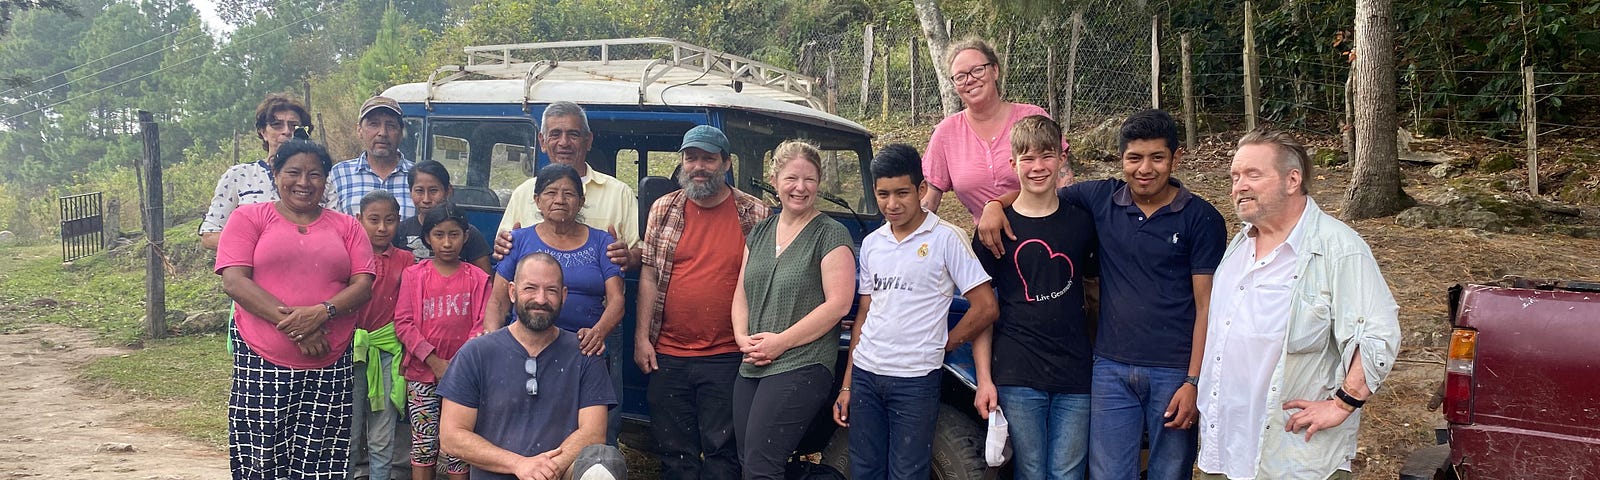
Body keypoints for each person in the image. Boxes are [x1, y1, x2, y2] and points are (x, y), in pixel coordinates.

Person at [977, 109, 1228, 480]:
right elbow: (1039, 187)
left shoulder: (1201, 219)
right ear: (1121, 159)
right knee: (1104, 472)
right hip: (1110, 367)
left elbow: (1207, 306)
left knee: (1169, 471)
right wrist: (994, 205)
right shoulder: (1101, 197)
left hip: (1172, 370)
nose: (1145, 168)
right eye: (1134, 158)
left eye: (1157, 157)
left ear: (1175, 158)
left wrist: (1193, 381)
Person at [1196, 130, 1401, 480]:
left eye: (1252, 175)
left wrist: (1342, 404)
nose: (1238, 186)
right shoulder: (1239, 246)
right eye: (1234, 177)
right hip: (1224, 449)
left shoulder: (1338, 248)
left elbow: (1378, 335)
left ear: (1293, 179)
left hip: (1293, 459)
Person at [215, 134, 375, 480]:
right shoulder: (249, 219)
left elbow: (363, 285)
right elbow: (235, 281)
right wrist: (298, 326)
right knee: (263, 451)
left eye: (315, 174)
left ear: (325, 181)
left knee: (323, 455)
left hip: (329, 361)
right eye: (293, 172)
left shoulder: (347, 226)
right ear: (276, 174)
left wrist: (323, 312)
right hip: (262, 359)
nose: (304, 182)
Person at [834, 144, 998, 480]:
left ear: (921, 189)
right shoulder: (873, 243)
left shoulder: (946, 238)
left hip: (915, 379)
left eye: (901, 193)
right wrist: (848, 385)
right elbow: (865, 313)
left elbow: (986, 307)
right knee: (864, 469)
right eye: (882, 194)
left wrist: (946, 344)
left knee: (908, 472)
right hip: (866, 374)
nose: (891, 204)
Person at [635, 125, 767, 480]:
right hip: (669, 354)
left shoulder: (755, 213)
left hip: (728, 355)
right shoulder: (663, 209)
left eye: (708, 158)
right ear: (681, 162)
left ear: (725, 163)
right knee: (674, 452)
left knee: (723, 453)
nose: (698, 166)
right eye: (691, 157)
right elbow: (649, 274)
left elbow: (769, 279)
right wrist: (642, 338)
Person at [970, 116, 1097, 480]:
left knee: (1067, 472)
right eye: (1027, 158)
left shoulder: (1082, 222)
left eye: (1046, 156)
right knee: (1030, 471)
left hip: (1075, 371)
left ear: (1060, 158)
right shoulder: (993, 230)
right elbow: (983, 309)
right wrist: (984, 378)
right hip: (1017, 370)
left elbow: (1095, 289)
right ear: (1012, 164)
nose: (1038, 167)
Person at [438, 252, 627, 480]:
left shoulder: (585, 354)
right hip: (498, 474)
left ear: (564, 295)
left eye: (551, 290)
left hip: (560, 473)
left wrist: (545, 470)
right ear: (512, 292)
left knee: (603, 462)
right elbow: (451, 436)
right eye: (530, 288)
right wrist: (519, 464)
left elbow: (593, 433)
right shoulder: (476, 353)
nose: (541, 299)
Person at [730, 141, 856, 480]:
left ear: (819, 182)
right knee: (748, 460)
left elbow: (839, 303)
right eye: (791, 178)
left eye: (810, 179)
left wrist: (781, 342)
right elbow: (742, 292)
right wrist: (742, 337)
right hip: (754, 361)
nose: (800, 188)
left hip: (803, 363)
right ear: (774, 179)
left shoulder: (830, 234)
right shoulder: (759, 233)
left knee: (761, 466)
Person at [486, 162, 626, 445]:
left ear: (582, 201)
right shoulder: (519, 240)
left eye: (569, 194)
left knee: (589, 433)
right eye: (550, 192)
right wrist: (494, 344)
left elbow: (617, 300)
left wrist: (598, 332)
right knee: (523, 426)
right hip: (526, 349)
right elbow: (498, 300)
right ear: (537, 200)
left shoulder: (602, 242)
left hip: (582, 351)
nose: (559, 200)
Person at [921, 38, 1068, 224]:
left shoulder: (1032, 117)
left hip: (1046, 228)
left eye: (977, 70)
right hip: (990, 241)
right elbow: (929, 199)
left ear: (995, 70)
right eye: (960, 76)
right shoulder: (945, 133)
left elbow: (1063, 181)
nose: (970, 79)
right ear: (954, 85)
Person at [394, 203, 490, 480]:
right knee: (424, 445)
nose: (447, 243)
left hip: (465, 377)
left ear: (466, 237)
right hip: (423, 374)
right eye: (439, 235)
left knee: (459, 447)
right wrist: (434, 361)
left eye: (454, 235)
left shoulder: (478, 279)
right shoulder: (414, 276)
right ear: (427, 238)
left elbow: (481, 325)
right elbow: (404, 323)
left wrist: (457, 367)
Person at [496, 101, 639, 271]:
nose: (564, 142)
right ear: (542, 141)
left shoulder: (619, 193)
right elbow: (502, 247)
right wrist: (503, 245)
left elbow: (641, 253)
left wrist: (628, 257)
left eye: (573, 134)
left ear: (588, 141)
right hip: (536, 296)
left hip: (597, 296)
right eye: (555, 134)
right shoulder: (524, 192)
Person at [350, 190, 414, 480]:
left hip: (388, 351)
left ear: (399, 221)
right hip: (349, 352)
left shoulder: (406, 260)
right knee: (347, 431)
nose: (381, 227)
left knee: (382, 432)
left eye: (389, 220)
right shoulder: (347, 255)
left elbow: (409, 308)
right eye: (373, 220)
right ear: (358, 219)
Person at [200, 93, 312, 250]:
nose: (287, 131)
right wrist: (256, 247)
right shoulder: (239, 175)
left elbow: (337, 229)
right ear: (263, 132)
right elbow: (210, 234)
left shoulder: (319, 179)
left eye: (294, 125)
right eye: (277, 125)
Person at [394, 160, 493, 274]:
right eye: (419, 191)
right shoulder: (401, 230)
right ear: (410, 192)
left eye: (433, 191)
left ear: (448, 191)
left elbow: (486, 281)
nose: (426, 199)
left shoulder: (467, 233)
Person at [331, 96, 416, 219]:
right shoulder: (338, 174)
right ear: (359, 130)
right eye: (374, 124)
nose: (383, 133)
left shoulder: (418, 177)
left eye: (391, 125)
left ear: (401, 132)